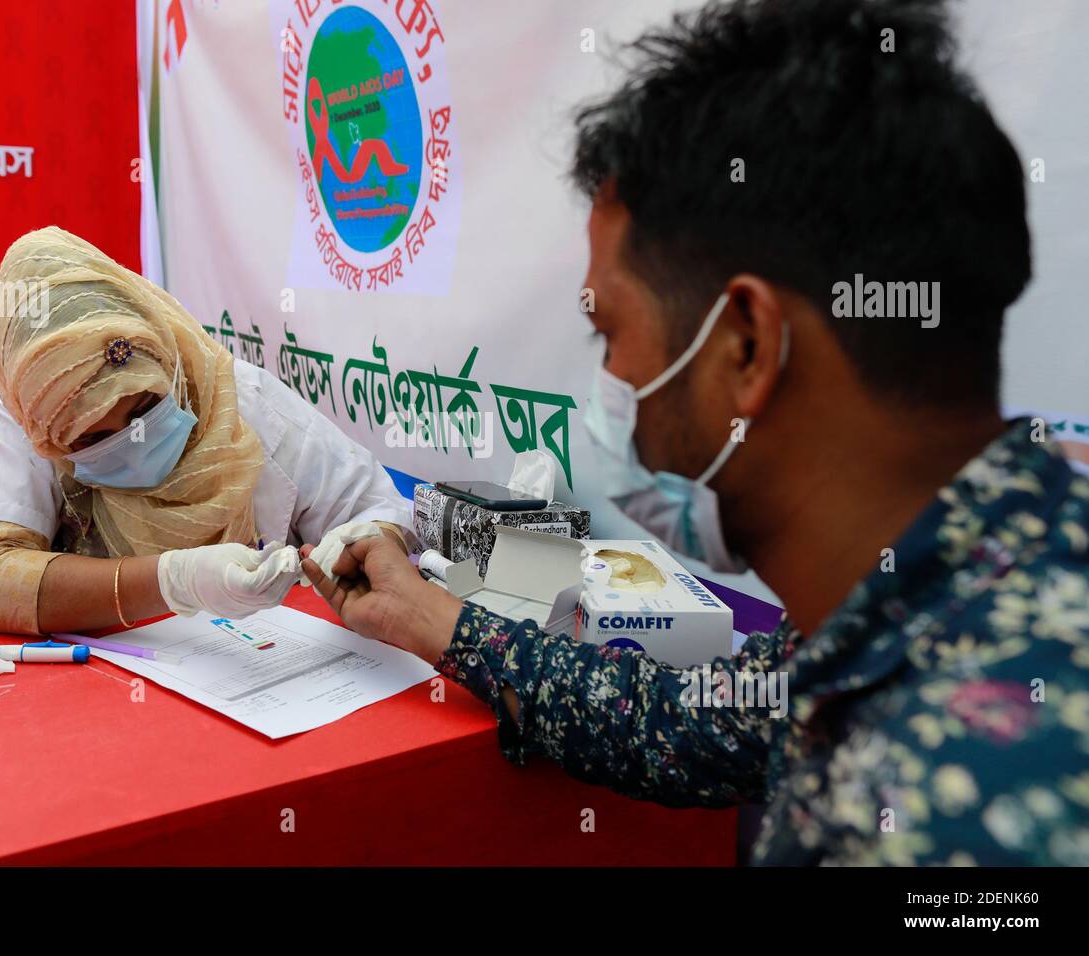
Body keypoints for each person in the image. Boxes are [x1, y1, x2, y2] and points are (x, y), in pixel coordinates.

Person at [302, 0, 1089, 865]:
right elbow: (696, 722)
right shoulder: (959, 575)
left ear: (745, 344)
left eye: (612, 334)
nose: (611, 388)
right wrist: (435, 622)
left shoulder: (949, 810)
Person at [0, 226, 411, 637]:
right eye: (92, 440)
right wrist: (172, 580)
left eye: (145, 409)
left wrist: (357, 544)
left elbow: (383, 511)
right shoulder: (31, 417)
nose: (132, 444)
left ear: (169, 367)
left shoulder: (241, 401)